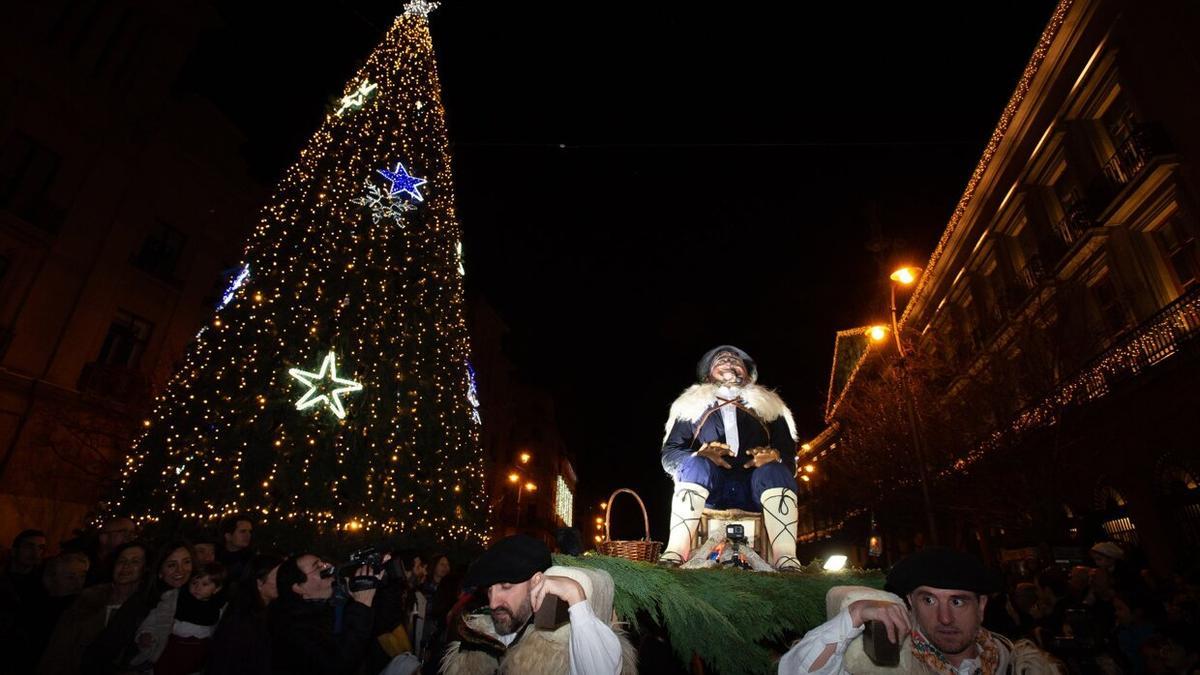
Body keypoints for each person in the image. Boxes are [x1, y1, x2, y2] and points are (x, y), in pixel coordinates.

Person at [779, 547, 1061, 674]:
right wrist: (855, 614)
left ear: (982, 606)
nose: (945, 618)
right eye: (929, 601)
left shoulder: (1017, 664)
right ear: (911, 604)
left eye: (957, 602)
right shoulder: (887, 665)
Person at [660, 345, 801, 570]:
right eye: (721, 360)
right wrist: (699, 454)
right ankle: (675, 553)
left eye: (736, 361)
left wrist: (774, 456)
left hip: (755, 489)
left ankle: (786, 558)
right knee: (696, 464)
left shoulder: (770, 408)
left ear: (748, 374)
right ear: (708, 375)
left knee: (775, 469)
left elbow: (789, 455)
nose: (729, 361)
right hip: (710, 490)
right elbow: (670, 453)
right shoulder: (690, 408)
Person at [440, 534, 635, 675]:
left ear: (536, 582)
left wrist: (575, 595)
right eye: (489, 590)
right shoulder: (475, 637)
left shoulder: (561, 643)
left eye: (506, 586)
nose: (493, 603)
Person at [81, 541, 196, 674]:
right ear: (160, 571)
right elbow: (109, 647)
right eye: (171, 565)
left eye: (186, 562)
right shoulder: (145, 601)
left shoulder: (196, 595)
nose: (180, 570)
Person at [37, 541, 149, 675]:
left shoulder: (146, 608)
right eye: (121, 561)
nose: (126, 566)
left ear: (145, 569)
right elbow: (59, 646)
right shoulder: (88, 598)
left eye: (135, 561)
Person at [268, 551, 385, 674]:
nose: (328, 566)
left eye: (323, 562)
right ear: (298, 587)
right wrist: (362, 605)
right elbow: (339, 663)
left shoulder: (332, 605)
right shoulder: (292, 627)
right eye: (317, 567)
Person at [133, 561, 227, 674]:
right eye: (194, 583)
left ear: (216, 589)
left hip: (194, 655)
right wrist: (148, 634)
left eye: (205, 584)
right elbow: (157, 619)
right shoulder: (176, 599)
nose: (197, 587)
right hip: (170, 649)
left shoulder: (217, 609)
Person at [208, 554, 283, 675]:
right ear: (259, 582)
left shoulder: (271, 611)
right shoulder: (243, 620)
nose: (284, 581)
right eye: (278, 576)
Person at [217, 515, 254, 584]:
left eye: (250, 532)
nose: (248, 535)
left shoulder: (252, 560)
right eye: (242, 531)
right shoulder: (215, 558)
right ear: (228, 536)